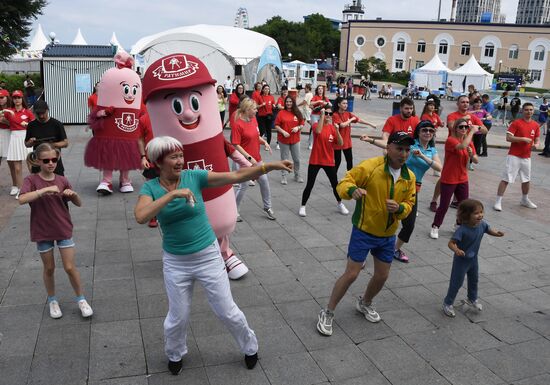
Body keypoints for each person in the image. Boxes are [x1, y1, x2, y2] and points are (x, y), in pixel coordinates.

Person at [134, 136, 292, 375]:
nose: (180, 161)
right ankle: (175, 354)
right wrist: (171, 196)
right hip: (176, 262)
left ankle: (250, 347)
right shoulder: (150, 188)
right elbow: (141, 216)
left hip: (207, 256)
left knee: (226, 310)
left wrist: (267, 166)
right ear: (158, 161)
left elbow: (235, 176)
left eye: (180, 155)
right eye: (173, 157)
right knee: (178, 316)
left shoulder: (194, 176)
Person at [316, 131, 416, 336]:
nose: (403, 154)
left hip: (388, 235)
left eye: (407, 150)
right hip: (364, 231)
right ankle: (327, 312)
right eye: (399, 149)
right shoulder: (371, 167)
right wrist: (352, 191)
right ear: (388, 148)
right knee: (352, 273)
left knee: (382, 275)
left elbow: (409, 203)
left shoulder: (409, 176)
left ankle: (365, 302)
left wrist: (399, 208)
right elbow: (344, 182)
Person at [18, 143, 93, 320]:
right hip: (42, 230)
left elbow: (78, 203)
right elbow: (21, 199)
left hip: (62, 228)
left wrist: (73, 195)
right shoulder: (31, 180)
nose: (51, 163)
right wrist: (44, 190)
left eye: (54, 159)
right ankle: (52, 300)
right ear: (38, 160)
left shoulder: (62, 179)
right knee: (49, 268)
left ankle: (81, 299)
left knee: (69, 266)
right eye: (46, 160)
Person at [363, 121, 442, 262]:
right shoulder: (411, 145)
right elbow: (390, 146)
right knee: (378, 219)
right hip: (395, 183)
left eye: (431, 130)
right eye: (424, 130)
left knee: (409, 225)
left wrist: (422, 156)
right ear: (418, 132)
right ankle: (361, 254)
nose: (428, 132)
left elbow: (439, 168)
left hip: (412, 190)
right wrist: (371, 140)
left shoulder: (432, 150)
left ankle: (394, 249)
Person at [442, 199, 504, 317]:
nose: (480, 215)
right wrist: (457, 250)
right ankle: (447, 303)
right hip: (461, 261)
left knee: (474, 280)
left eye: (481, 212)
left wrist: (497, 233)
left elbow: (488, 230)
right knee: (456, 283)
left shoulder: (482, 224)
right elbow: (451, 243)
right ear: (466, 215)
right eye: (476, 213)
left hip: (473, 259)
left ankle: (472, 299)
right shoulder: (462, 230)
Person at [430, 118, 485, 239]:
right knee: (444, 205)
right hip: (449, 177)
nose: (464, 129)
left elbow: (476, 160)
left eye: (466, 127)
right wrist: (472, 131)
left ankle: (459, 224)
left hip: (462, 178)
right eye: (461, 127)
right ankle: (435, 226)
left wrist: (471, 154)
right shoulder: (451, 140)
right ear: (455, 128)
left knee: (464, 205)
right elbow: (461, 146)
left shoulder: (469, 142)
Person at [429, 96, 486, 211]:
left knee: (463, 172)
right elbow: (451, 126)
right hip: (454, 146)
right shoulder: (453, 115)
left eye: (467, 102)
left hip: (468, 145)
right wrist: (465, 119)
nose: (465, 104)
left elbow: (485, 130)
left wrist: (475, 127)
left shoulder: (473, 117)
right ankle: (435, 200)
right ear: (457, 104)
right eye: (462, 102)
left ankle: (456, 199)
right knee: (446, 175)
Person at [231, 98, 277, 220]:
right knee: (243, 186)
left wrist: (264, 142)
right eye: (255, 109)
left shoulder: (253, 120)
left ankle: (267, 207)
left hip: (257, 158)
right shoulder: (238, 124)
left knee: (264, 182)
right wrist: (248, 157)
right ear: (247, 110)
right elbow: (236, 144)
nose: (257, 111)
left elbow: (255, 136)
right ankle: (234, 211)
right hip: (245, 161)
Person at [298, 108, 349, 218]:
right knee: (310, 184)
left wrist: (337, 130)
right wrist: (321, 116)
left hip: (329, 161)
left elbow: (340, 143)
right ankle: (303, 206)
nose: (328, 115)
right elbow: (318, 131)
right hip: (315, 160)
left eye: (330, 114)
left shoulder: (332, 128)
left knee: (335, 184)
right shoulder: (316, 124)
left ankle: (340, 204)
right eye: (326, 113)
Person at [494, 103, 540, 212]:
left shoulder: (535, 125)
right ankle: (498, 201)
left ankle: (524, 199)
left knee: (526, 179)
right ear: (522, 111)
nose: (529, 112)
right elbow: (508, 138)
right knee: (506, 178)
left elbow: (537, 139)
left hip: (526, 157)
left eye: (531, 110)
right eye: (527, 110)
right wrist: (523, 139)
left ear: (533, 111)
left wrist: (537, 145)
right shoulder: (516, 123)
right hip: (514, 155)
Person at [1, 90, 34, 199]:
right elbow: (2, 118)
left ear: (22, 99)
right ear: (12, 99)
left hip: (25, 137)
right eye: (15, 98)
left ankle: (35, 186)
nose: (17, 100)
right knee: (17, 168)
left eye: (19, 98)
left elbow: (34, 125)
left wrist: (28, 124)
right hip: (14, 138)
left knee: (31, 165)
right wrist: (4, 114)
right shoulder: (9, 111)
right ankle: (21, 189)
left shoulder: (27, 112)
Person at [24, 100, 68, 176]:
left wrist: (51, 144)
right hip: (38, 161)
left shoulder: (56, 124)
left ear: (47, 110)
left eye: (43, 113)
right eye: (38, 114)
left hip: (53, 161)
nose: (41, 116)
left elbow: (65, 143)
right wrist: (30, 142)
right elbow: (26, 144)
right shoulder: (31, 125)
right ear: (34, 113)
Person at [332, 96, 376, 172]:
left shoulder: (348, 113)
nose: (346, 105)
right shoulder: (335, 115)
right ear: (339, 104)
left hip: (347, 142)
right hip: (338, 142)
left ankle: (349, 178)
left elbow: (359, 120)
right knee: (337, 162)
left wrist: (370, 124)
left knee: (349, 162)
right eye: (344, 103)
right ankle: (333, 180)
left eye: (347, 103)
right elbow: (342, 125)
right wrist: (351, 119)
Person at [274, 95, 304, 184]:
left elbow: (302, 123)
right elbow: (276, 125)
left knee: (297, 159)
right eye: (287, 102)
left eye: (290, 102)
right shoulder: (281, 113)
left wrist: (298, 128)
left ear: (293, 103)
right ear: (285, 103)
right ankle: (284, 176)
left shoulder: (297, 112)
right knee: (284, 159)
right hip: (283, 140)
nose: (288, 103)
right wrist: (283, 132)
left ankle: (297, 175)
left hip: (295, 139)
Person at [468, 98, 492, 169]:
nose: (479, 104)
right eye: (477, 103)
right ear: (474, 104)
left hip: (479, 132)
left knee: (476, 148)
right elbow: (467, 114)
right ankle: (466, 160)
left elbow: (490, 117)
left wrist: (485, 119)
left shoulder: (483, 111)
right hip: (470, 132)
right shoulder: (470, 110)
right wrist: (476, 111)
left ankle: (470, 163)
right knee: (468, 146)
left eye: (480, 103)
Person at [309, 85, 331, 150]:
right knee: (314, 129)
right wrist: (318, 101)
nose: (320, 90)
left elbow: (330, 104)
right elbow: (311, 103)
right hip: (315, 115)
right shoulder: (315, 97)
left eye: (321, 89)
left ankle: (319, 143)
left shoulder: (325, 97)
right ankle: (311, 144)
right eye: (319, 89)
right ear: (317, 90)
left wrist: (325, 103)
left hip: (322, 115)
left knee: (321, 129)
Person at [0, 89, 11, 169]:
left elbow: (17, 125)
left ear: (7, 97)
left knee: (12, 162)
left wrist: (6, 121)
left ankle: (16, 182)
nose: (0, 99)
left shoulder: (12, 109)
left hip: (10, 134)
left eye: (1, 97)